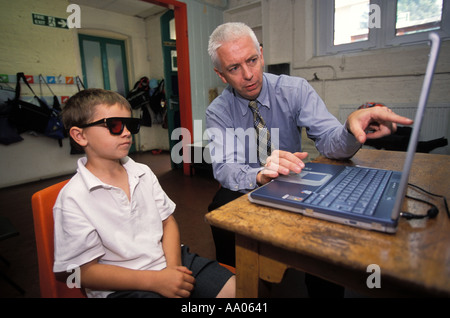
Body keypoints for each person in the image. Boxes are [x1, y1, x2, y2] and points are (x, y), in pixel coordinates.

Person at [205, 22, 413, 296]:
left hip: (293, 181)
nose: (248, 74)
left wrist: (349, 129)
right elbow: (225, 168)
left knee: (327, 234)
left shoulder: (295, 90)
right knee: (220, 212)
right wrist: (260, 174)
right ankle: (240, 287)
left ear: (262, 55)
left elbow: (329, 139)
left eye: (252, 60)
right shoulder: (218, 111)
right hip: (249, 187)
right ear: (221, 75)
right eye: (234, 68)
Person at [53, 88, 235, 298]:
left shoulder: (143, 173)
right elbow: (75, 273)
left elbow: (168, 222)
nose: (126, 132)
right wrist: (156, 281)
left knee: (238, 291)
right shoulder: (73, 198)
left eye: (130, 125)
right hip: (123, 287)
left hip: (171, 261)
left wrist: (172, 271)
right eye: (114, 125)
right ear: (80, 135)